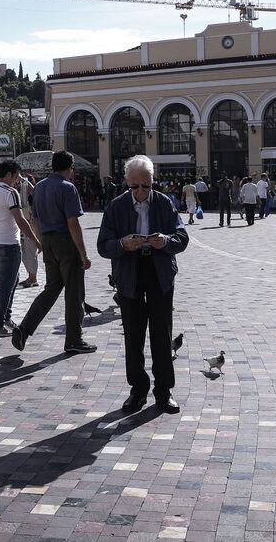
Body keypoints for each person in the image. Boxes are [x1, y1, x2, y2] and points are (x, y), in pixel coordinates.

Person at [98, 155, 189, 414]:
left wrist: (166, 242)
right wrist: (122, 244)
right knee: (133, 335)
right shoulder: (115, 206)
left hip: (159, 271)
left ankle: (164, 391)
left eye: (146, 186)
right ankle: (138, 390)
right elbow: (103, 246)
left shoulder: (164, 202)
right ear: (126, 182)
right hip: (129, 271)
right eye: (134, 186)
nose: (140, 192)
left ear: (152, 182)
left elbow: (182, 237)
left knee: (161, 333)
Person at [12, 151, 96, 354]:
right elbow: (73, 223)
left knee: (51, 289)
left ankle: (24, 328)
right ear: (70, 167)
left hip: (47, 241)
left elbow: (35, 219)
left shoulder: (39, 187)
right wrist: (83, 254)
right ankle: (74, 340)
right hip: (65, 241)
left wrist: (42, 243)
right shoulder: (67, 188)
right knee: (74, 292)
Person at [0, 161, 42, 337]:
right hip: (9, 245)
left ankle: (6, 317)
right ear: (9, 175)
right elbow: (21, 221)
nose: (17, 181)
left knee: (13, 279)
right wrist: (37, 242)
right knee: (6, 285)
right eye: (16, 177)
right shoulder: (10, 193)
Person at [17, 173, 39, 287]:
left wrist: (24, 180)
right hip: (24, 226)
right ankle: (30, 276)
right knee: (24, 253)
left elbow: (33, 190)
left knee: (30, 252)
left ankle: (33, 277)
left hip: (32, 226)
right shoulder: (22, 196)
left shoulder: (35, 196)